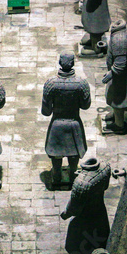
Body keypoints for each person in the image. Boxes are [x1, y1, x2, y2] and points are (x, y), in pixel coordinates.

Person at [42, 51, 91, 186]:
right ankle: (73, 176)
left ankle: (56, 177)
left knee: (56, 154)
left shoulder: (51, 83)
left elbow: (46, 112)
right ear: (73, 64)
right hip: (74, 123)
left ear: (60, 63)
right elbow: (86, 106)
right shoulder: (81, 83)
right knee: (74, 153)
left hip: (57, 125)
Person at [61, 158, 111, 254]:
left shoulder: (81, 182)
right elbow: (105, 187)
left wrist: (65, 214)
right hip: (100, 213)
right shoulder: (105, 167)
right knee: (100, 239)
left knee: (75, 245)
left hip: (84, 221)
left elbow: (74, 208)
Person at [102, 19, 127, 133]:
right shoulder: (119, 33)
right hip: (117, 76)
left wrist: (110, 74)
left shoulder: (119, 39)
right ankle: (116, 115)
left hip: (118, 77)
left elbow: (120, 65)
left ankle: (119, 124)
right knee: (114, 96)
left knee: (118, 99)